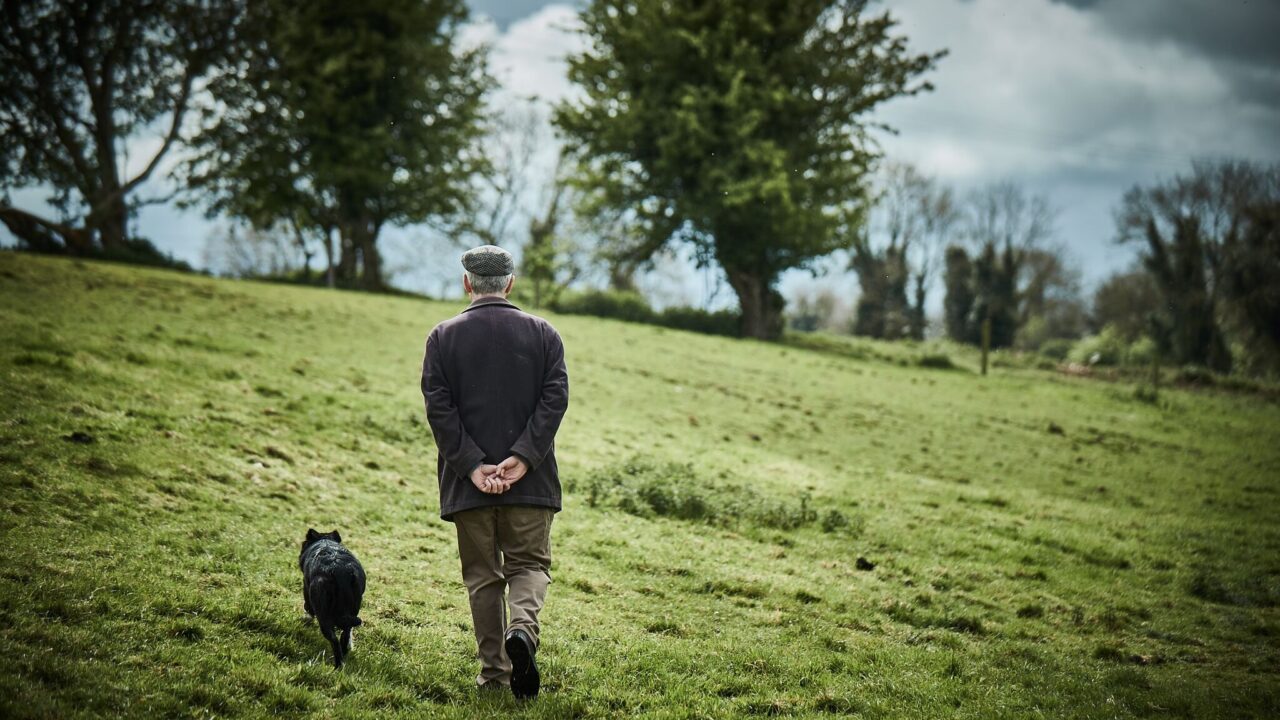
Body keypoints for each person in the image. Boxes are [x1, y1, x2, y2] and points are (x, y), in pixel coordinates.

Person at [420, 244, 569, 699]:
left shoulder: (441, 337)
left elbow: (439, 408)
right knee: (530, 565)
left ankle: (494, 675)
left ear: (467, 283)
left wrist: (471, 465)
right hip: (532, 482)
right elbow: (555, 399)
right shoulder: (544, 333)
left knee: (483, 578)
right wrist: (524, 457)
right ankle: (521, 629)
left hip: (470, 487)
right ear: (510, 283)